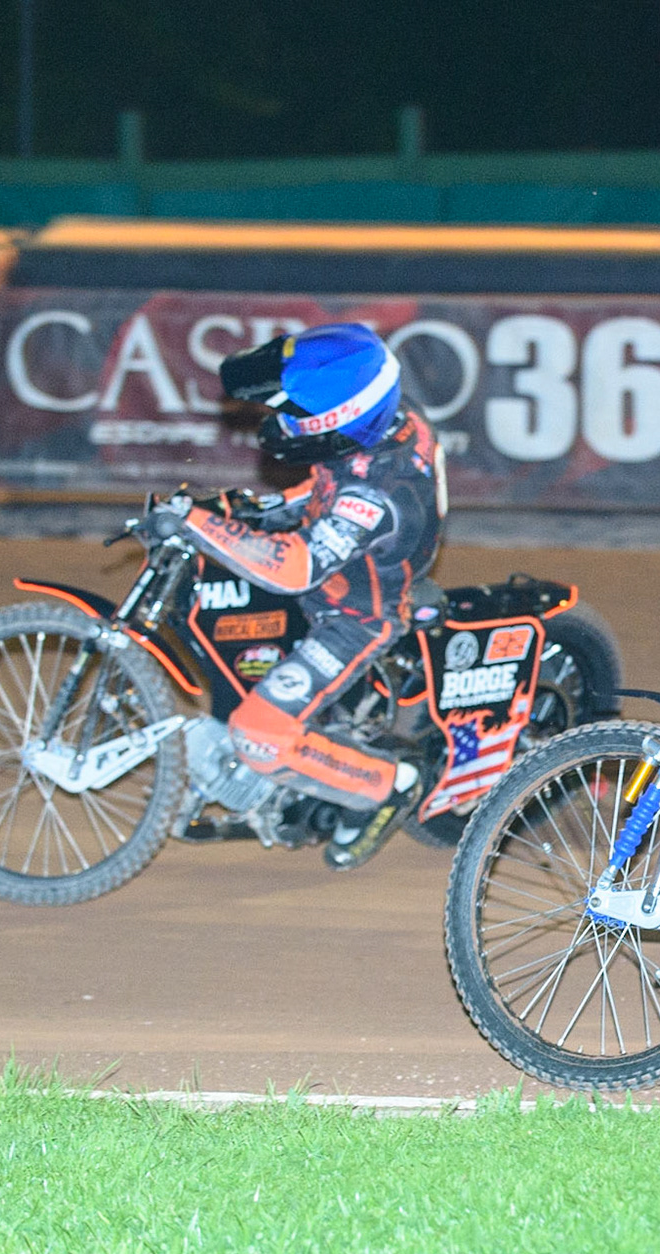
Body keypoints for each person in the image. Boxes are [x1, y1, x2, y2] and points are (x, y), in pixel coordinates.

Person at [149, 323, 445, 869]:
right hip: (338, 572)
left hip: (355, 614)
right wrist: (252, 510)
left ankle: (387, 784)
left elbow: (296, 568)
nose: (282, 424)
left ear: (341, 421)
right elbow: (325, 483)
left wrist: (199, 522)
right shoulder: (387, 420)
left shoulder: (376, 495)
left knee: (258, 733)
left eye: (295, 415)